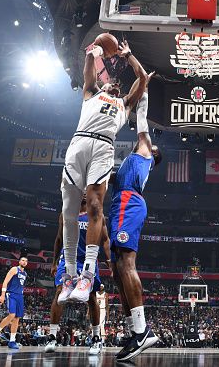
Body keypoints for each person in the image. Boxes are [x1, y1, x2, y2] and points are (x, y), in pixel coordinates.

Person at [59, 39, 149, 304]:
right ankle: (69, 277)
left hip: (103, 148)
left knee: (96, 207)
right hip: (78, 143)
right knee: (69, 213)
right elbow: (88, 65)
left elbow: (142, 78)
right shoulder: (91, 91)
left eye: (118, 86)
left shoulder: (125, 105)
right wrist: (95, 50)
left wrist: (129, 55)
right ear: (103, 83)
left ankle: (87, 273)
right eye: (111, 82)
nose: (115, 85)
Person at [110, 80, 162, 362]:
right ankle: (135, 330)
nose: (145, 140)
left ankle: (143, 331)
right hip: (121, 203)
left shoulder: (144, 152)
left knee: (126, 265)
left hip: (128, 203)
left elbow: (141, 116)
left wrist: (143, 86)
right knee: (118, 270)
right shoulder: (136, 159)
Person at [45, 197, 110, 355]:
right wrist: (54, 262)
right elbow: (59, 238)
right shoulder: (66, 213)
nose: (84, 194)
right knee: (60, 291)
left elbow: (105, 240)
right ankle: (52, 336)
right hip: (68, 258)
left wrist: (109, 260)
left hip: (88, 259)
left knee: (91, 297)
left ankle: (96, 338)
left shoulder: (96, 214)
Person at [0, 256, 28, 349]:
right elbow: (5, 282)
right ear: (19, 261)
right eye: (22, 260)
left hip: (20, 296)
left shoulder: (25, 274)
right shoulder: (14, 269)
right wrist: (2, 295)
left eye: (26, 261)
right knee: (12, 315)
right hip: (11, 294)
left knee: (17, 318)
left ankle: (12, 341)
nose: (24, 262)